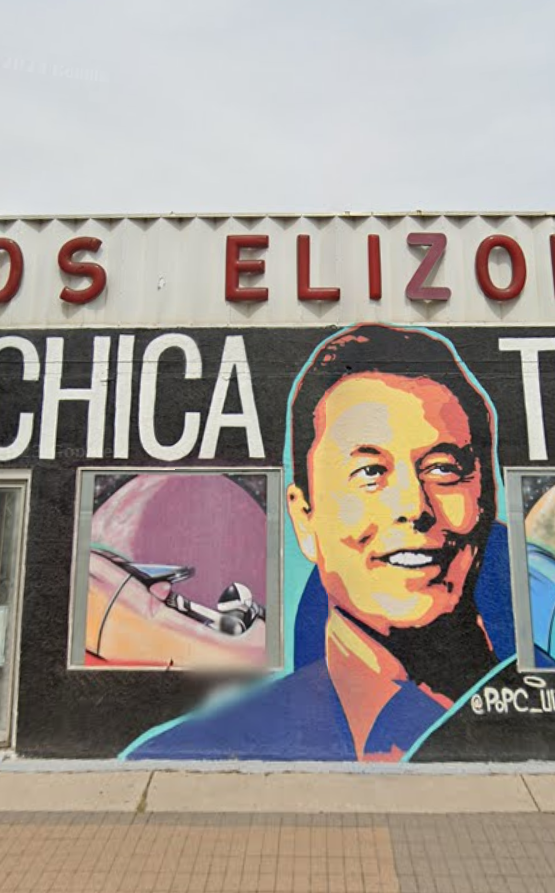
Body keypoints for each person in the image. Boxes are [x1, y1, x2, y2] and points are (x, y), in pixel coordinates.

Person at [124, 325, 516, 761]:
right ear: (304, 517)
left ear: (487, 499)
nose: (413, 505)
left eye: (443, 469)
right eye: (370, 472)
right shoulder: (187, 756)